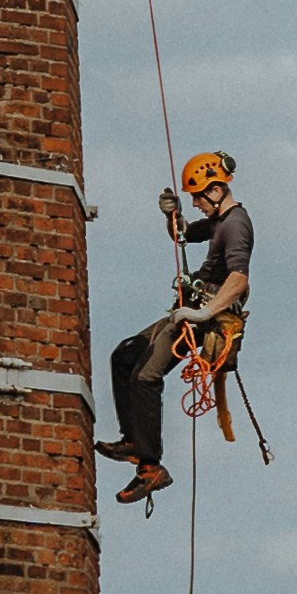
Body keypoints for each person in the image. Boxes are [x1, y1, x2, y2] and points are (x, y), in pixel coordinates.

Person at [100, 151, 252, 504]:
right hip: (192, 311)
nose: (197, 203)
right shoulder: (219, 220)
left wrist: (202, 314)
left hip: (205, 319)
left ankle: (150, 468)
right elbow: (183, 234)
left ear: (215, 190)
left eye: (198, 197)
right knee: (125, 356)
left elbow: (239, 279)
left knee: (145, 376)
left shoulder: (236, 224)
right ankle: (134, 442)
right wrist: (173, 215)